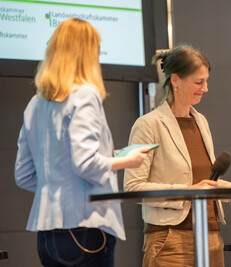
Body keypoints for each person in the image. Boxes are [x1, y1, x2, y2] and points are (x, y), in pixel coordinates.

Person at [14, 18, 149, 267]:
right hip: (85, 229)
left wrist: (107, 158)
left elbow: (23, 174)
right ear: (87, 53)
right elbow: (85, 163)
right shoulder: (84, 95)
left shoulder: (35, 103)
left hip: (47, 235)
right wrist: (128, 161)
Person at [124, 44, 231, 267]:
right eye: (198, 82)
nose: (205, 88)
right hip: (170, 241)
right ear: (175, 80)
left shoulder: (201, 121)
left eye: (206, 81)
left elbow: (204, 182)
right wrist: (188, 192)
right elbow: (133, 187)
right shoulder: (148, 124)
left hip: (211, 238)